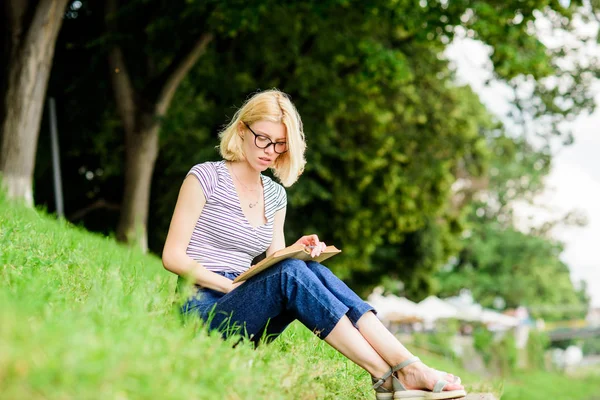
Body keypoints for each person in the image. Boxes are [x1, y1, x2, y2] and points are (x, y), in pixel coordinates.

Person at [162, 89, 466, 399]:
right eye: (263, 139)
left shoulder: (275, 195)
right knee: (292, 272)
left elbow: (275, 259)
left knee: (300, 266)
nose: (270, 151)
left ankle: (406, 367)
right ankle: (391, 375)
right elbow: (172, 257)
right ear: (242, 129)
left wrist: (298, 249)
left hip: (246, 308)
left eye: (280, 145)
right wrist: (233, 287)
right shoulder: (205, 177)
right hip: (201, 309)